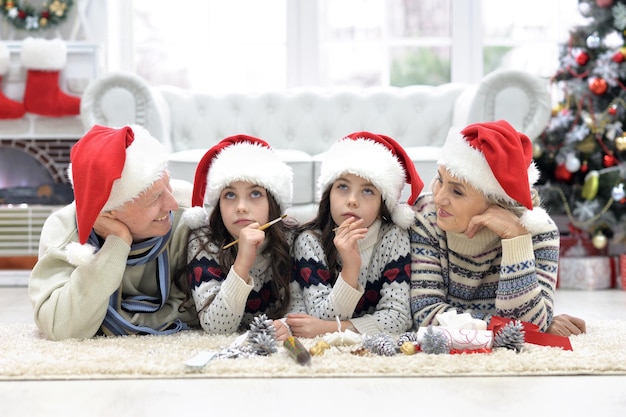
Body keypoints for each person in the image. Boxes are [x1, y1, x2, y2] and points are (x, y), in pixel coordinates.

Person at [410, 120, 586, 337]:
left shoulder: (539, 231)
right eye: (440, 179)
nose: (439, 198)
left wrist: (516, 240)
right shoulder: (426, 217)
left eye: (457, 192)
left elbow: (531, 325)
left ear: (496, 202)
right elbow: (426, 316)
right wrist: (509, 325)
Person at [29, 124, 198, 341]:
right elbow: (61, 327)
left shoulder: (190, 213)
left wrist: (110, 319)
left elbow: (200, 308)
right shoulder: (64, 231)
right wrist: (118, 241)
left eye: (167, 184)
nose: (172, 204)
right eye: (154, 198)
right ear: (110, 210)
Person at [287, 131, 424, 338]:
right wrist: (350, 268)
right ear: (328, 193)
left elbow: (398, 317)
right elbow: (319, 314)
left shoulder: (393, 237)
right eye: (342, 186)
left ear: (382, 203)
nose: (352, 200)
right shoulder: (309, 240)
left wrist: (333, 329)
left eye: (367, 191)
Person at [184, 135, 295, 340]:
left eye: (255, 194)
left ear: (273, 202)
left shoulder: (293, 240)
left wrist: (288, 324)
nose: (241, 207)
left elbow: (303, 308)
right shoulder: (204, 243)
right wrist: (242, 264)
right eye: (230, 195)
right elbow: (217, 328)